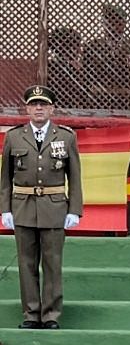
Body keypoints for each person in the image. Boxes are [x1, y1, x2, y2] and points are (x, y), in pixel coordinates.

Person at [1, 85, 82, 329]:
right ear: (27, 108)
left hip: (54, 207)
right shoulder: (14, 136)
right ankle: (31, 314)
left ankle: (50, 316)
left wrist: (74, 210)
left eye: (43, 104)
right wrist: (5, 209)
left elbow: (75, 176)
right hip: (22, 207)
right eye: (34, 104)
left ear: (51, 108)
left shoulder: (66, 136)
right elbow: (5, 177)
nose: (38, 108)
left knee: (52, 263)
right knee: (26, 263)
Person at [84, 3, 130, 110]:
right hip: (98, 101)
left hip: (128, 102)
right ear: (104, 24)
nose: (115, 26)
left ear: (124, 23)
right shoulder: (91, 47)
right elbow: (86, 77)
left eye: (118, 22)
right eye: (111, 22)